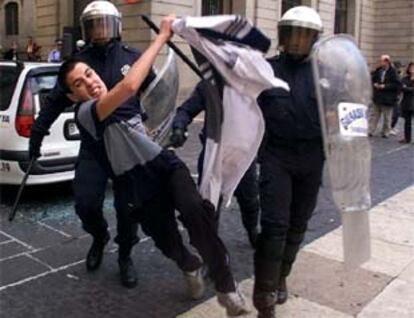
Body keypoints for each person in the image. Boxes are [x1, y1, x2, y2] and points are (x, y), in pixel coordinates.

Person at [58, 15, 249, 315]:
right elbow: (130, 84)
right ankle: (190, 265)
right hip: (135, 186)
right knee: (167, 241)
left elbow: (150, 109)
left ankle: (226, 287)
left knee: (197, 215)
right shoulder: (86, 113)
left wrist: (165, 129)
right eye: (78, 84)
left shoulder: (124, 100)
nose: (90, 83)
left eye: (90, 74)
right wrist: (161, 36)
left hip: (165, 166)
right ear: (73, 95)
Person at [28, 1, 203, 293]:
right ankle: (99, 236)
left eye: (104, 23)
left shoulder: (132, 57)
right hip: (95, 150)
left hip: (128, 148)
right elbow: (52, 106)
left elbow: (156, 93)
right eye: (93, 25)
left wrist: (160, 127)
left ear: (117, 25)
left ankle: (125, 255)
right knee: (85, 202)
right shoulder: (78, 66)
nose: (99, 31)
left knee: (128, 207)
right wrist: (36, 138)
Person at [253, 6, 325, 318]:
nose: (297, 41)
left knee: (298, 224)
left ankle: (282, 275)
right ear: (282, 36)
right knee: (274, 226)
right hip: (276, 156)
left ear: (314, 39)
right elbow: (244, 109)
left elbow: (344, 111)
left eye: (304, 35)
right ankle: (265, 294)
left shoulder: (326, 73)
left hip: (312, 158)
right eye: (292, 34)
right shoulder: (264, 70)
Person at [170, 82, 260, 248]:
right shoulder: (208, 85)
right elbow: (186, 110)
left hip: (242, 157)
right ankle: (210, 247)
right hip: (213, 156)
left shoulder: (251, 83)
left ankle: (252, 229)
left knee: (250, 200)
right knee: (208, 205)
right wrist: (179, 127)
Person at [368, 54, 401, 138]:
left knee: (387, 117)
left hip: (388, 98)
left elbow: (396, 84)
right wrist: (374, 84)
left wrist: (385, 86)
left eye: (382, 61)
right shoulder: (378, 70)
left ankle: (385, 132)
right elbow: (372, 79)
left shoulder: (393, 72)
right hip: (377, 97)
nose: (380, 63)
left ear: (387, 62)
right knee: (374, 115)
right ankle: (371, 130)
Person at [399, 62, 414, 144]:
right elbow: (402, 87)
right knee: (407, 122)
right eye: (411, 68)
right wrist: (409, 88)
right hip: (407, 103)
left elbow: (408, 89)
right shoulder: (405, 78)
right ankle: (407, 138)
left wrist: (407, 88)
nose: (412, 69)